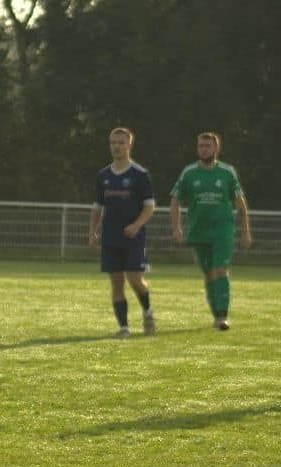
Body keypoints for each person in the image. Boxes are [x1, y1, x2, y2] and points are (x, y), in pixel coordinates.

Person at [170, 132, 252, 330]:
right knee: (208, 274)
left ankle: (222, 315)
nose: (203, 149)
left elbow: (240, 203)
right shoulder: (188, 173)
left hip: (223, 230)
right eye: (200, 146)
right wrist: (176, 228)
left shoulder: (227, 172)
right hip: (198, 231)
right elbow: (175, 200)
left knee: (220, 269)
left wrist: (246, 231)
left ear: (216, 149)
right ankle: (216, 314)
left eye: (207, 146)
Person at [88, 127, 157, 338]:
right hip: (111, 236)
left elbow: (149, 206)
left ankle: (147, 311)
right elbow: (98, 206)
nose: (116, 146)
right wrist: (93, 231)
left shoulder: (140, 175)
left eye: (120, 143)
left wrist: (136, 225)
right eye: (113, 143)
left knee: (135, 278)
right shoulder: (104, 175)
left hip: (134, 236)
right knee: (116, 282)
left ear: (129, 145)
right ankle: (124, 327)